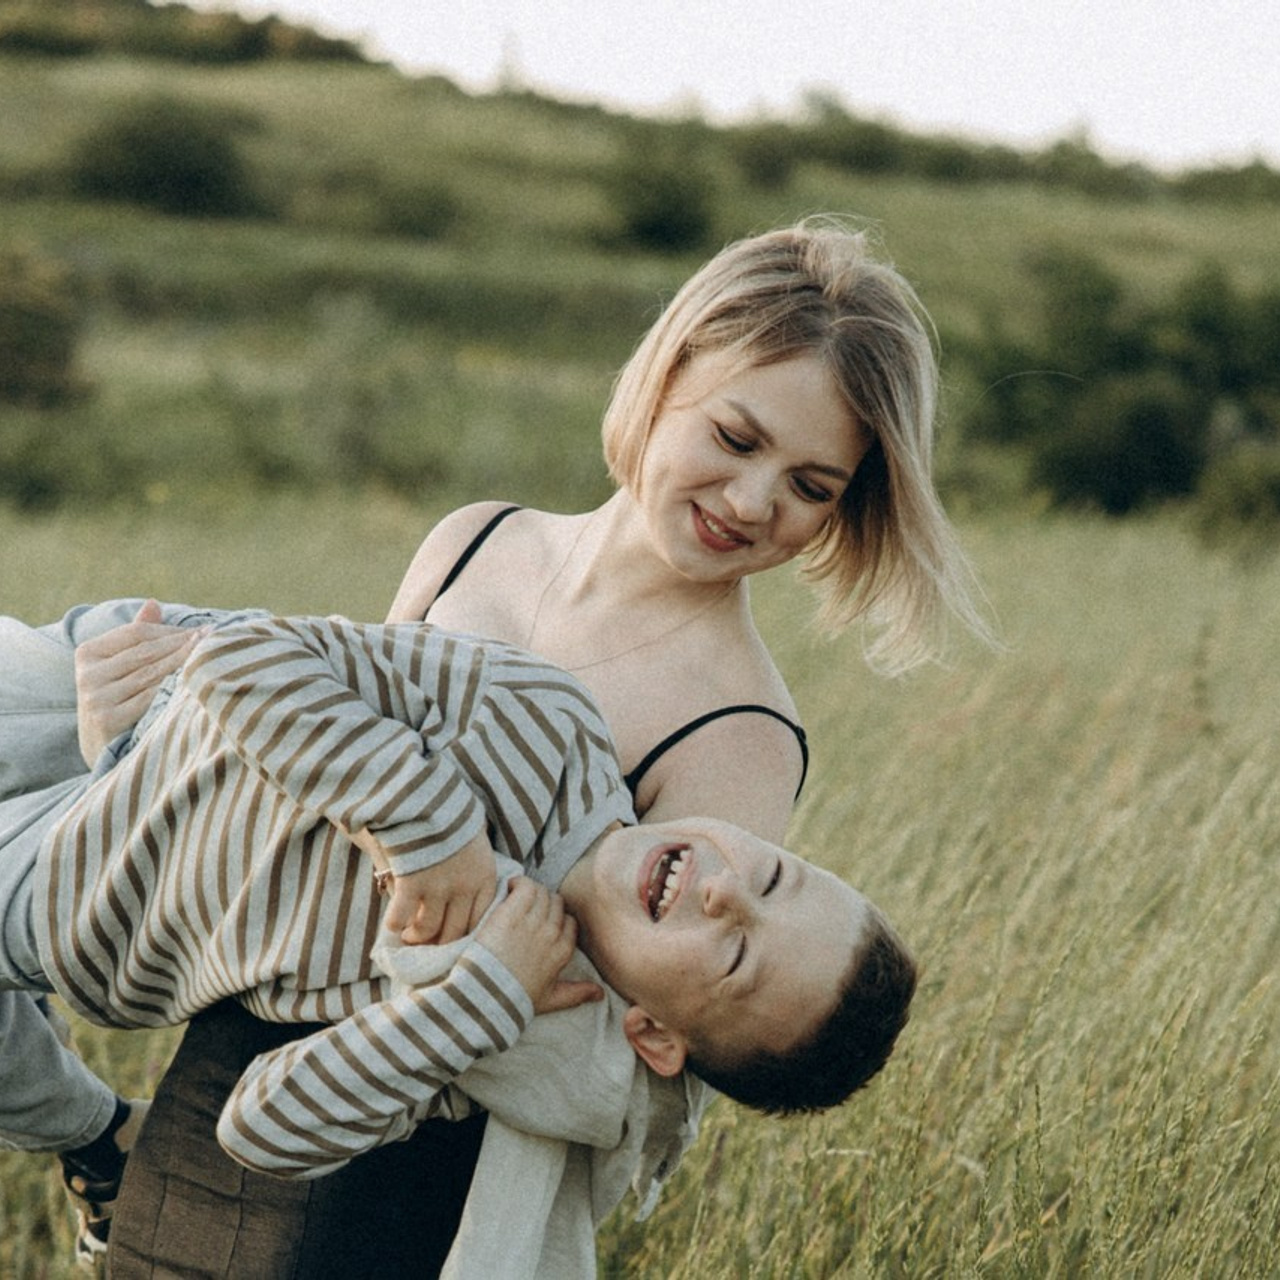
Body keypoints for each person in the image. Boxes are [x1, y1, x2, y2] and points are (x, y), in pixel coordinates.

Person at [68, 218, 988, 1275]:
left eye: (810, 486)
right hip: (227, 1065)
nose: (752, 502)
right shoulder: (476, 538)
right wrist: (143, 730)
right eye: (735, 439)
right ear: (667, 371)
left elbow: (623, 1038)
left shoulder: (737, 732)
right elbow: (305, 804)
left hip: (402, 1158)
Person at [1, 609, 916, 1274]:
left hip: (70, 905)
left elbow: (259, 1126)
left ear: (654, 1037)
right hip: (124, 720)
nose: (721, 891)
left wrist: (472, 1002)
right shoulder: (547, 723)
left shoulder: (502, 1021)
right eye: (771, 876)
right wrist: (427, 827)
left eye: (735, 955)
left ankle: (92, 1136)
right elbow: (239, 652)